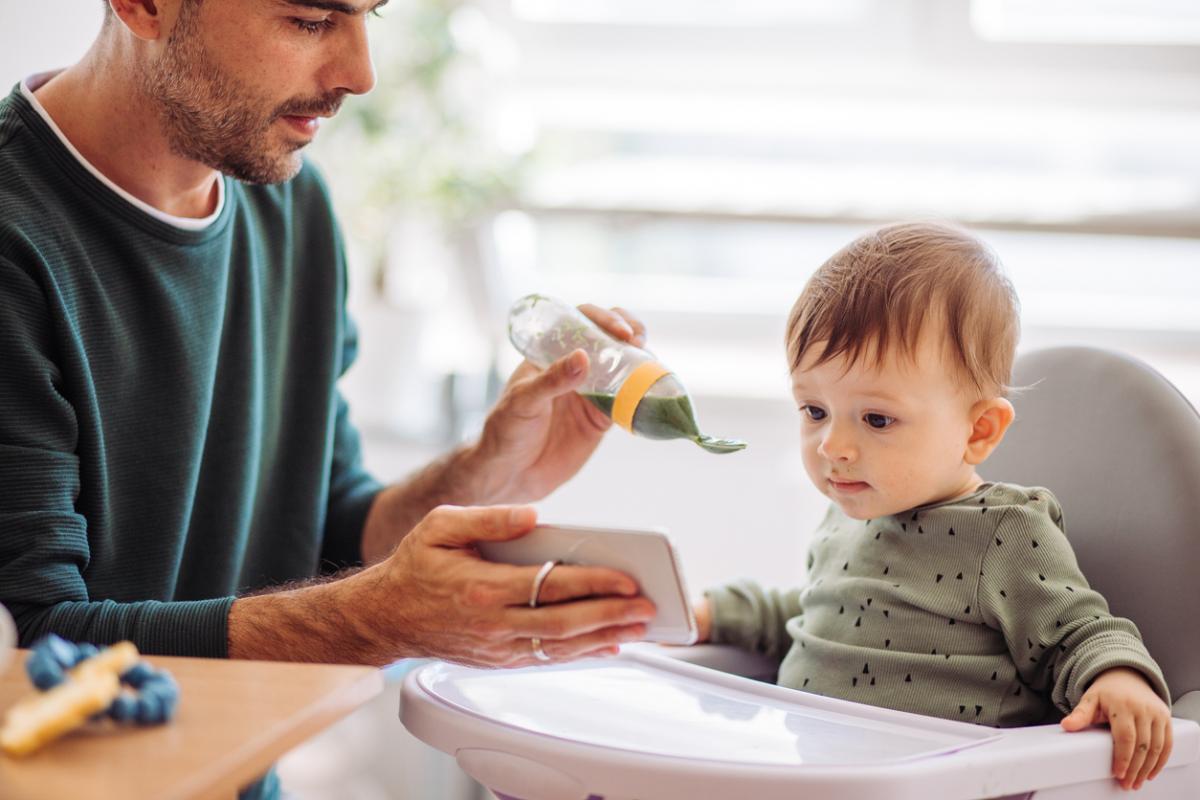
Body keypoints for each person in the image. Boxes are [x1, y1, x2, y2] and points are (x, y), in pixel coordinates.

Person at [0, 0, 657, 680]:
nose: (362, 75)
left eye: (371, 16)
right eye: (311, 21)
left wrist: (487, 472)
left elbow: (329, 529)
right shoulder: (15, 240)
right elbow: (28, 642)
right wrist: (373, 622)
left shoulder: (290, 202)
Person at [690, 222, 1174, 791]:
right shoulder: (848, 514)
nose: (832, 447)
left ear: (978, 430)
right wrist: (715, 614)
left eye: (876, 419)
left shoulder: (1003, 531)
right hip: (818, 779)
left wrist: (1118, 676)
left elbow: (1077, 633)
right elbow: (819, 616)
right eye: (815, 411)